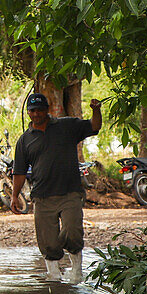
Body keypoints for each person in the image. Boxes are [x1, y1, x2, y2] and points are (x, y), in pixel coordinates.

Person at [10, 92, 102, 282]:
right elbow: (19, 172)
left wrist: (96, 111)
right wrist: (14, 196)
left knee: (72, 232)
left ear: (48, 110)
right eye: (33, 111)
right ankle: (54, 276)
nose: (37, 114)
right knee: (48, 241)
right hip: (42, 197)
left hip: (70, 193)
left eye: (40, 110)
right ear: (28, 113)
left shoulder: (66, 126)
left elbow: (94, 126)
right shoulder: (24, 140)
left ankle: (76, 271)